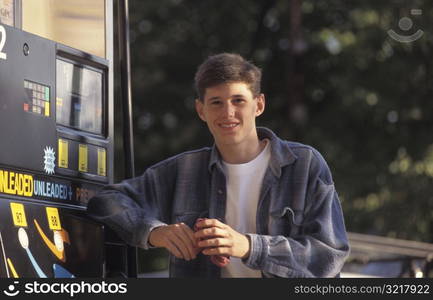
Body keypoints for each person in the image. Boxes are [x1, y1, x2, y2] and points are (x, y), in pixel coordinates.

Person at [87, 53, 350, 278]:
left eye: (238, 100)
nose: (228, 113)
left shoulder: (304, 164)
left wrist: (248, 246)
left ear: (259, 105)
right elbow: (105, 200)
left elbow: (328, 256)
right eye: (216, 102)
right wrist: (155, 232)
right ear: (201, 110)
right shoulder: (184, 169)